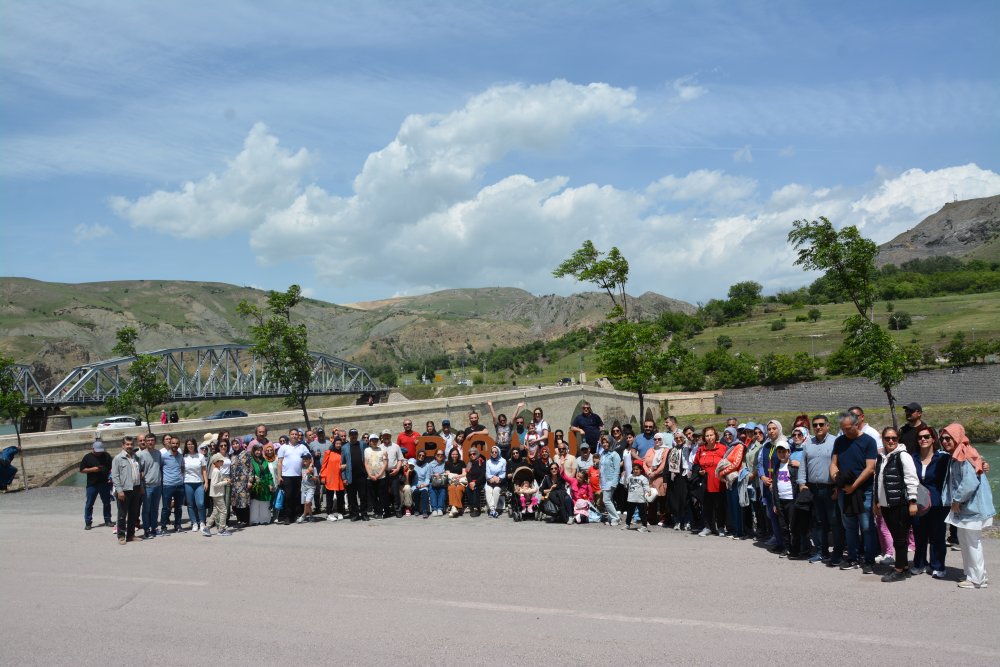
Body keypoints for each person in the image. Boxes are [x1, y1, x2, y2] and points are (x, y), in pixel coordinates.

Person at [941, 423, 995, 589]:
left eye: (948, 438)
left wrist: (956, 500)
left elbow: (969, 482)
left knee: (971, 543)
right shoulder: (959, 453)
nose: (945, 441)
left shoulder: (964, 455)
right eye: (942, 438)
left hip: (971, 507)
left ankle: (977, 579)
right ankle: (974, 575)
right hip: (967, 508)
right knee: (966, 541)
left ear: (957, 437)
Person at [831, 411, 879, 574]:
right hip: (844, 490)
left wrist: (854, 486)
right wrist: (836, 477)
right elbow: (834, 463)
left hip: (863, 490)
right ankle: (852, 557)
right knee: (849, 526)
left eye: (848, 428)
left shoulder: (868, 441)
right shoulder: (839, 441)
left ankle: (869, 560)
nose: (845, 432)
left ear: (856, 424)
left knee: (866, 526)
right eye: (842, 429)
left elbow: (870, 468)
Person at [873, 426, 918, 582]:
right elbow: (877, 481)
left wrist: (912, 501)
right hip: (886, 504)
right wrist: (876, 502)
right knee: (897, 536)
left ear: (898, 439)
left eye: (894, 438)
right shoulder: (882, 457)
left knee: (900, 538)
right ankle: (904, 567)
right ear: (883, 440)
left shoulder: (903, 456)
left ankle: (899, 570)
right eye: (887, 438)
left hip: (900, 503)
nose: (891, 441)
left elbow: (911, 479)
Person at [802, 414, 844, 565]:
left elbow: (841, 465)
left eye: (821, 424)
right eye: (815, 425)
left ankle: (837, 554)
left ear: (827, 426)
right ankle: (821, 551)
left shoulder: (836, 442)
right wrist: (802, 484)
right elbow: (803, 465)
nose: (818, 427)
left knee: (835, 522)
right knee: (818, 522)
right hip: (814, 489)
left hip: (830, 488)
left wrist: (838, 487)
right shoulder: (808, 443)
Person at [911, 425, 949, 577]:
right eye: (920, 437)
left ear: (933, 439)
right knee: (919, 535)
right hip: (919, 500)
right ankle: (919, 564)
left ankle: (938, 566)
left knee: (937, 535)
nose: (923, 439)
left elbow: (962, 460)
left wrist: (981, 464)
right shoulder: (912, 458)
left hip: (938, 501)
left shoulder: (943, 458)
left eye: (927, 436)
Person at [111, 437, 144, 545]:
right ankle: (121, 536)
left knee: (133, 514)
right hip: (124, 490)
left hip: (136, 488)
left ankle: (130, 535)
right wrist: (119, 491)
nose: (129, 446)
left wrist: (141, 487)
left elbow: (139, 473)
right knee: (122, 514)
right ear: (123, 445)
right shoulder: (118, 458)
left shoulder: (136, 457)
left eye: (131, 444)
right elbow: (115, 476)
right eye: (127, 444)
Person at [694, 427, 727, 537]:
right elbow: (695, 465)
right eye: (707, 436)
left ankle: (721, 527)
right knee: (707, 506)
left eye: (711, 435)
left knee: (720, 506)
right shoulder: (701, 449)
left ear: (715, 435)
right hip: (705, 483)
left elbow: (729, 463)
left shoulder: (723, 448)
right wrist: (699, 471)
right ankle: (708, 527)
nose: (709, 438)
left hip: (719, 482)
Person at [276, 431, 310, 524]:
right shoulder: (283, 447)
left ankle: (296, 515)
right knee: (288, 497)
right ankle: (287, 517)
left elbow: (309, 457)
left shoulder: (302, 447)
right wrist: (279, 476)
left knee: (297, 496)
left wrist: (309, 467)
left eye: (296, 434)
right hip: (287, 476)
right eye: (292, 434)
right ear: (289, 435)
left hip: (299, 476)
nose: (294, 436)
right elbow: (279, 463)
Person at [80, 439, 113, 530]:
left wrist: (111, 477)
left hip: (105, 483)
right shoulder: (87, 457)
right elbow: (82, 470)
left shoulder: (106, 455)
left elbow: (112, 468)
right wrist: (92, 469)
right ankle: (88, 522)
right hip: (92, 484)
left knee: (107, 503)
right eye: (97, 451)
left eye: (100, 451)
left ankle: (107, 520)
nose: (99, 453)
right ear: (93, 449)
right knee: (89, 504)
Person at [135, 434, 162, 539]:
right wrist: (141, 486)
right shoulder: (141, 455)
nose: (150, 442)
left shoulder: (158, 453)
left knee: (155, 509)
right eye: (148, 440)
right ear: (145, 442)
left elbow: (159, 467)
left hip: (158, 485)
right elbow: (139, 472)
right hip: (147, 486)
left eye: (152, 440)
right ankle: (146, 529)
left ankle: (154, 528)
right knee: (146, 509)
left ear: (155, 441)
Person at [182, 438, 208, 532]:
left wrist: (206, 482)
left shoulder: (200, 456)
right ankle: (194, 522)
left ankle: (202, 522)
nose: (190, 446)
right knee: (190, 504)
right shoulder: (184, 457)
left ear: (195, 445)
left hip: (199, 483)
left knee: (200, 504)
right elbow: (182, 471)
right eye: (188, 444)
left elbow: (204, 470)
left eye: (192, 444)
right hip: (187, 482)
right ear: (186, 446)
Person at [666, 430, 691, 531]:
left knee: (686, 500)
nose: (679, 439)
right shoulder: (672, 450)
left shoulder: (688, 449)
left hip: (686, 477)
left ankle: (686, 521)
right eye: (676, 438)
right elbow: (666, 466)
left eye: (681, 437)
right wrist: (665, 479)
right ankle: (677, 521)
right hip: (675, 478)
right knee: (675, 500)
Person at [643, 433, 669, 526]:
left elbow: (664, 464)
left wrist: (655, 473)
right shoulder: (650, 450)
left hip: (660, 477)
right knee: (651, 499)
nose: (657, 441)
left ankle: (663, 518)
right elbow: (644, 462)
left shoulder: (666, 450)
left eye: (659, 439)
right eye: (655, 439)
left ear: (662, 440)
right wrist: (648, 472)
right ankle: (651, 519)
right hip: (650, 477)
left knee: (662, 499)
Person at [204, 454, 232, 536]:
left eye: (222, 460)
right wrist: (226, 482)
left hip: (216, 494)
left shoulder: (217, 470)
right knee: (223, 511)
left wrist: (224, 479)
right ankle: (221, 529)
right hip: (217, 494)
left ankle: (207, 527)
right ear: (216, 462)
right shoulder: (216, 471)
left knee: (215, 511)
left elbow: (218, 480)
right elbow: (215, 484)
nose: (222, 462)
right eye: (220, 461)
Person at [321, 437, 346, 521]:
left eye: (340, 444)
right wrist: (323, 476)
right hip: (330, 477)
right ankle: (329, 513)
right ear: (334, 444)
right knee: (329, 497)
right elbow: (324, 466)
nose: (338, 445)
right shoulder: (328, 452)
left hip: (340, 477)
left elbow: (345, 463)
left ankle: (340, 512)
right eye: (337, 443)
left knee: (340, 496)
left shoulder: (343, 453)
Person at [249, 444, 274, 525]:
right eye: (256, 450)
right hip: (255, 484)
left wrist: (270, 483)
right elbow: (249, 472)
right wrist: (254, 477)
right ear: (253, 451)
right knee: (255, 502)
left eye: (260, 450)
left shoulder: (264, 460)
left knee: (265, 502)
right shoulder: (251, 460)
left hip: (265, 484)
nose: (258, 452)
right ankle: (254, 520)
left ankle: (265, 519)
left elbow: (268, 473)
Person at [364, 433, 388, 519]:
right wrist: (369, 474)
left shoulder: (382, 450)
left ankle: (380, 513)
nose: (374, 442)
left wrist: (379, 474)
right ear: (369, 442)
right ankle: (376, 511)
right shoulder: (366, 450)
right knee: (372, 496)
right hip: (370, 477)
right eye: (372, 440)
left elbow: (385, 463)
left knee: (381, 495)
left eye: (376, 440)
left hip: (381, 477)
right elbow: (366, 463)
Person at [623, 460, 650, 532]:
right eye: (634, 469)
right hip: (631, 498)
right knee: (629, 513)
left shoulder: (643, 478)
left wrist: (648, 491)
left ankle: (644, 526)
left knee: (642, 513)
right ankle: (627, 524)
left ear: (641, 469)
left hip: (640, 499)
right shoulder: (630, 476)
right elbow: (626, 484)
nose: (635, 471)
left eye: (637, 469)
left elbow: (646, 486)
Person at [483, 446, 507, 518]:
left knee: (496, 490)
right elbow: (487, 473)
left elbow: (503, 473)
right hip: (490, 481)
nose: (494, 453)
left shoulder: (503, 461)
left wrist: (498, 479)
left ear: (498, 452)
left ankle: (492, 510)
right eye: (492, 452)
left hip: (500, 482)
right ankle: (493, 510)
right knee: (488, 490)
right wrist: (491, 479)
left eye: (495, 452)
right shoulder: (488, 461)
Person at [445, 448, 467, 517]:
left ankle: (453, 508)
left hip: (461, 482)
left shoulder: (462, 462)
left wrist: (457, 477)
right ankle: (457, 508)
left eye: (456, 454)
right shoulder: (447, 463)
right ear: (450, 455)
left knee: (459, 489)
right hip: (452, 481)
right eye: (453, 454)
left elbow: (464, 474)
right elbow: (448, 474)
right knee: (451, 488)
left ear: (458, 455)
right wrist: (456, 477)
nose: (455, 455)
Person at [466, 447, 487, 517]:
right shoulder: (469, 464)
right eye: (470, 454)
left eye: (474, 454)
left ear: (477, 454)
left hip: (480, 482)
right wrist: (470, 482)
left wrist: (475, 483)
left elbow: (483, 474)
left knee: (476, 489)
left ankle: (477, 509)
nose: (472, 455)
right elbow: (468, 475)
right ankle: (472, 507)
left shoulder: (482, 462)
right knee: (467, 489)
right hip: (472, 482)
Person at [412, 451, 432, 518]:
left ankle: (424, 511)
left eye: (423, 456)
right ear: (417, 456)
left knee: (424, 492)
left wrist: (425, 484)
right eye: (420, 455)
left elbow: (428, 478)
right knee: (416, 492)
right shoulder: (413, 464)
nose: (421, 457)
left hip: (423, 484)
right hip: (415, 484)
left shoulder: (427, 465)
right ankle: (416, 510)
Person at [298, 452, 317, 523]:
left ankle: (303, 515)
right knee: (307, 504)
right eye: (303, 459)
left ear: (310, 460)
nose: (304, 460)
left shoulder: (313, 469)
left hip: (311, 488)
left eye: (306, 459)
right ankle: (311, 516)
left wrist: (310, 475)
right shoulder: (302, 468)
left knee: (307, 502)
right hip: (303, 488)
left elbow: (316, 480)